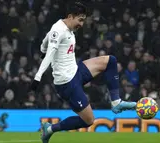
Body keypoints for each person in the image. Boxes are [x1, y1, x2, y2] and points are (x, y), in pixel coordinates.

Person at [29, 2, 136, 143]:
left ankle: (116, 102)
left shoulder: (63, 28)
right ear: (70, 16)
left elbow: (45, 41)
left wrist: (42, 49)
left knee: (110, 61)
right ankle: (50, 129)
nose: (81, 24)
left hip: (76, 71)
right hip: (67, 83)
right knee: (89, 120)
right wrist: (38, 77)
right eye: (80, 20)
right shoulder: (58, 30)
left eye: (83, 20)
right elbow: (50, 53)